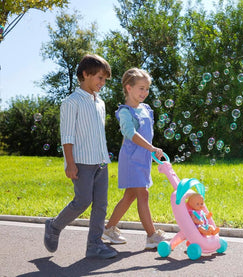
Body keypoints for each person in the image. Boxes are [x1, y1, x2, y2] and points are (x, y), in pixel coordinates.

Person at [44, 54, 117, 259]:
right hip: (82, 162)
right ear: (85, 74)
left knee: (101, 205)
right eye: (100, 78)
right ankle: (54, 226)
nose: (103, 83)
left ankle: (94, 245)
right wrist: (70, 164)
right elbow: (67, 136)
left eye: (104, 79)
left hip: (101, 160)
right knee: (82, 201)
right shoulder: (71, 102)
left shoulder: (100, 103)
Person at [102, 67, 168, 249]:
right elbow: (130, 133)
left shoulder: (146, 109)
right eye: (141, 88)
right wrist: (152, 148)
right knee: (143, 194)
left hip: (143, 159)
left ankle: (108, 229)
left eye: (147, 88)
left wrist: (150, 150)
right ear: (128, 87)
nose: (145, 92)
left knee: (130, 196)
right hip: (131, 160)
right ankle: (151, 235)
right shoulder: (125, 112)